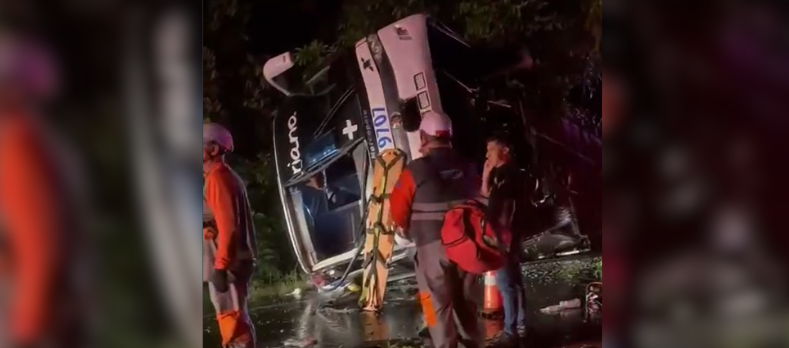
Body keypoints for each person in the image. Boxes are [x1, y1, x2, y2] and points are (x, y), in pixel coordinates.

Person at [389, 110, 482, 348]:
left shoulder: (415, 170)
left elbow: (397, 208)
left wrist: (404, 229)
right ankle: (472, 343)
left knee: (433, 304)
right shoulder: (468, 166)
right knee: (466, 302)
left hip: (431, 248)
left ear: (423, 137)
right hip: (467, 245)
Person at [203, 123, 258, 348]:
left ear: (213, 150)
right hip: (229, 261)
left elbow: (229, 227)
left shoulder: (218, 178)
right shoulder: (219, 176)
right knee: (233, 319)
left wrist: (220, 267)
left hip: (228, 264)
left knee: (233, 322)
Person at [480, 134, 529, 346]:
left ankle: (511, 331)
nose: (487, 154)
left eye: (491, 149)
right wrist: (486, 175)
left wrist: (501, 239)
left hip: (504, 237)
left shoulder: (510, 175)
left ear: (505, 150)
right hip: (505, 236)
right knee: (513, 283)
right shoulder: (500, 174)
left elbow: (508, 209)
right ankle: (519, 326)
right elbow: (486, 195)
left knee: (507, 285)